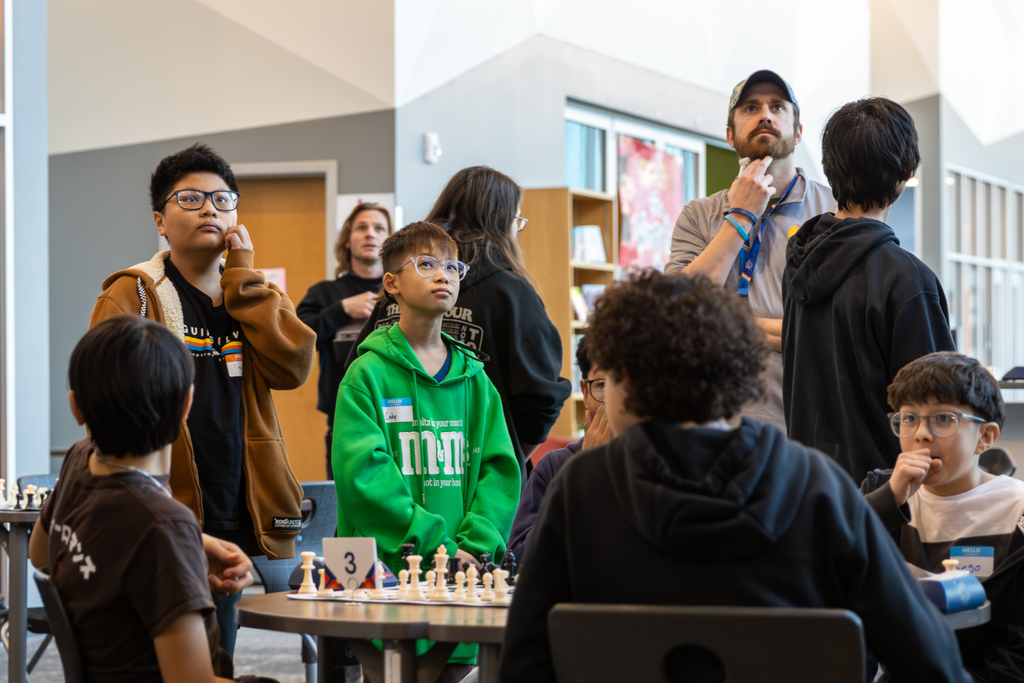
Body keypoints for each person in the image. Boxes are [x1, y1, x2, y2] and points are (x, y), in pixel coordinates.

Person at [499, 271, 969, 683]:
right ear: (738, 374)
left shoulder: (582, 490)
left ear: (623, 378)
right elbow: (931, 662)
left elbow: (524, 662)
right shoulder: (816, 485)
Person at [87, 142, 316, 656]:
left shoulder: (251, 292)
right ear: (160, 220)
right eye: (190, 198)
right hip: (169, 498)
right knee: (171, 646)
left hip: (242, 497)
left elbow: (294, 366)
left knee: (222, 649)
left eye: (222, 198)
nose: (210, 208)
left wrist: (242, 276)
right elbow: (106, 406)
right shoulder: (132, 294)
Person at [28, 316, 269, 683]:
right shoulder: (164, 525)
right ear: (187, 404)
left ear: (76, 408)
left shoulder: (80, 459)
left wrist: (193, 545)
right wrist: (177, 545)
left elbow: (40, 553)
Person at [333, 222, 521, 675]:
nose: (445, 275)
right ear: (391, 283)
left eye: (453, 266)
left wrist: (475, 548)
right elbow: (364, 476)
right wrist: (437, 545)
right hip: (383, 581)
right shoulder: (367, 374)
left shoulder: (476, 379)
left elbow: (500, 471)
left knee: (457, 669)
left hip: (462, 574)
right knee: (391, 672)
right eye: (427, 264)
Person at [347, 166, 571, 477]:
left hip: (399, 469)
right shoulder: (513, 292)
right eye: (516, 222)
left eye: (452, 270)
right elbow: (542, 397)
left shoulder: (405, 281)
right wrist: (503, 460)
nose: (443, 279)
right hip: (457, 476)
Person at [783, 97, 955, 482]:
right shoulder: (908, 279)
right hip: (884, 502)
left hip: (807, 494)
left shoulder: (797, 263)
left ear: (830, 172)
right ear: (906, 172)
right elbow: (939, 416)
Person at [665, 70, 836, 431]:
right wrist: (740, 217)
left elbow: (835, 329)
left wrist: (719, 326)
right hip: (711, 429)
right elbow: (677, 315)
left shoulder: (834, 211)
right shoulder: (698, 216)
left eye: (777, 106)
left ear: (798, 130)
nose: (766, 115)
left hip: (809, 429)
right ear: (730, 135)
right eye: (751, 107)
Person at [861, 352, 1024, 680]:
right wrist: (886, 502)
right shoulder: (882, 491)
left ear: (985, 437)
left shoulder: (1017, 512)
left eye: (944, 418)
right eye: (908, 418)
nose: (921, 433)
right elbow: (827, 569)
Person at [297, 202, 391, 478]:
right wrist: (342, 311)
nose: (370, 234)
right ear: (348, 240)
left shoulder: (402, 292)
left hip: (395, 412)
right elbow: (296, 338)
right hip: (343, 417)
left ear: (389, 241)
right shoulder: (324, 293)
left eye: (379, 228)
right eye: (361, 228)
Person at [506, 335, 611, 567]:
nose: (614, 402)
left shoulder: (658, 465)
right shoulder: (554, 467)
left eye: (625, 386)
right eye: (602, 386)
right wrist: (588, 477)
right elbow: (520, 560)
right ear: (585, 392)